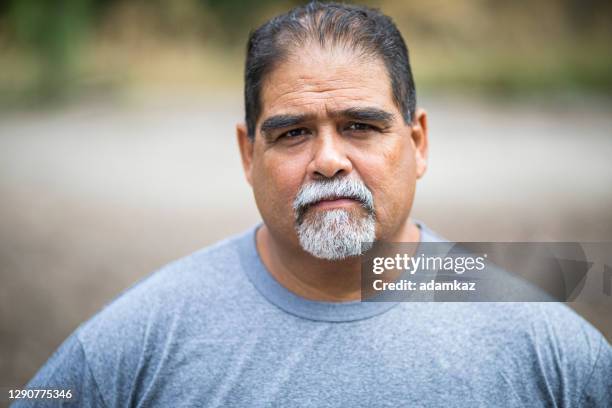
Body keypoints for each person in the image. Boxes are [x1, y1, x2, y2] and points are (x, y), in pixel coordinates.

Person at [15, 2, 610, 407]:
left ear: (418, 142)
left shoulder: (542, 340)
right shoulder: (138, 337)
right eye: (293, 133)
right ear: (248, 154)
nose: (328, 160)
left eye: (360, 126)